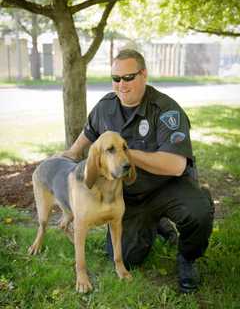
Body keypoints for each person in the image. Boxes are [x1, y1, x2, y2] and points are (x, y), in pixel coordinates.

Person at [63, 49, 214, 293]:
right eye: (116, 78)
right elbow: (86, 137)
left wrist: (125, 154)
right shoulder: (105, 107)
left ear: (143, 74)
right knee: (128, 258)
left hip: (168, 188)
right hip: (129, 196)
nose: (121, 85)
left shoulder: (165, 109)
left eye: (129, 77)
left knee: (197, 211)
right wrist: (67, 156)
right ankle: (156, 225)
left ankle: (188, 258)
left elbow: (176, 166)